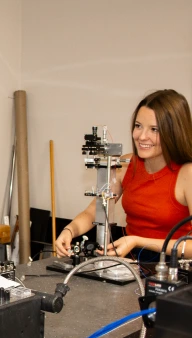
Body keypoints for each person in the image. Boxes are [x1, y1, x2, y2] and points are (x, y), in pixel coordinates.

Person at [55, 89, 192, 259]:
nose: (142, 136)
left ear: (174, 132)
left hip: (173, 269)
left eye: (154, 129)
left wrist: (137, 241)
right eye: (138, 126)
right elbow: (95, 212)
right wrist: (69, 230)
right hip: (133, 264)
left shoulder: (187, 174)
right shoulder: (126, 165)